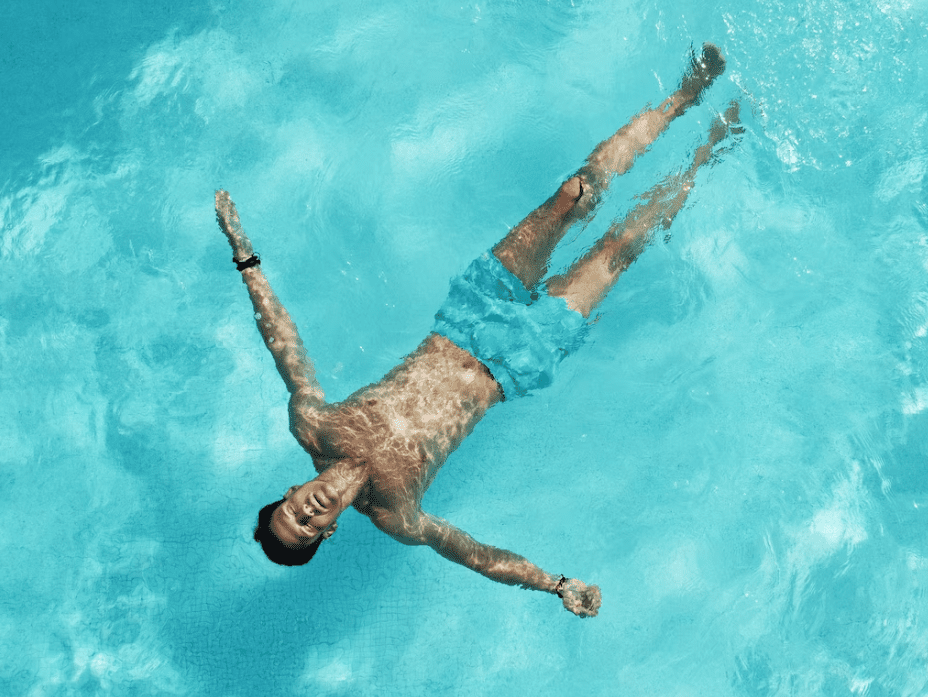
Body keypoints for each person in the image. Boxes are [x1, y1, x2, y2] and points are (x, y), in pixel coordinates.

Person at [215, 44, 738, 618]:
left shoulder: (316, 426)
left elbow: (284, 344)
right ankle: (710, 149)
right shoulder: (398, 514)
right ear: (329, 534)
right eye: (309, 530)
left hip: (469, 313)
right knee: (622, 245)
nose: (307, 515)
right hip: (516, 358)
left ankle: (684, 94)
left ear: (290, 494)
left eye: (292, 513)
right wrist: (556, 584)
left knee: (575, 193)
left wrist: (246, 257)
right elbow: (473, 554)